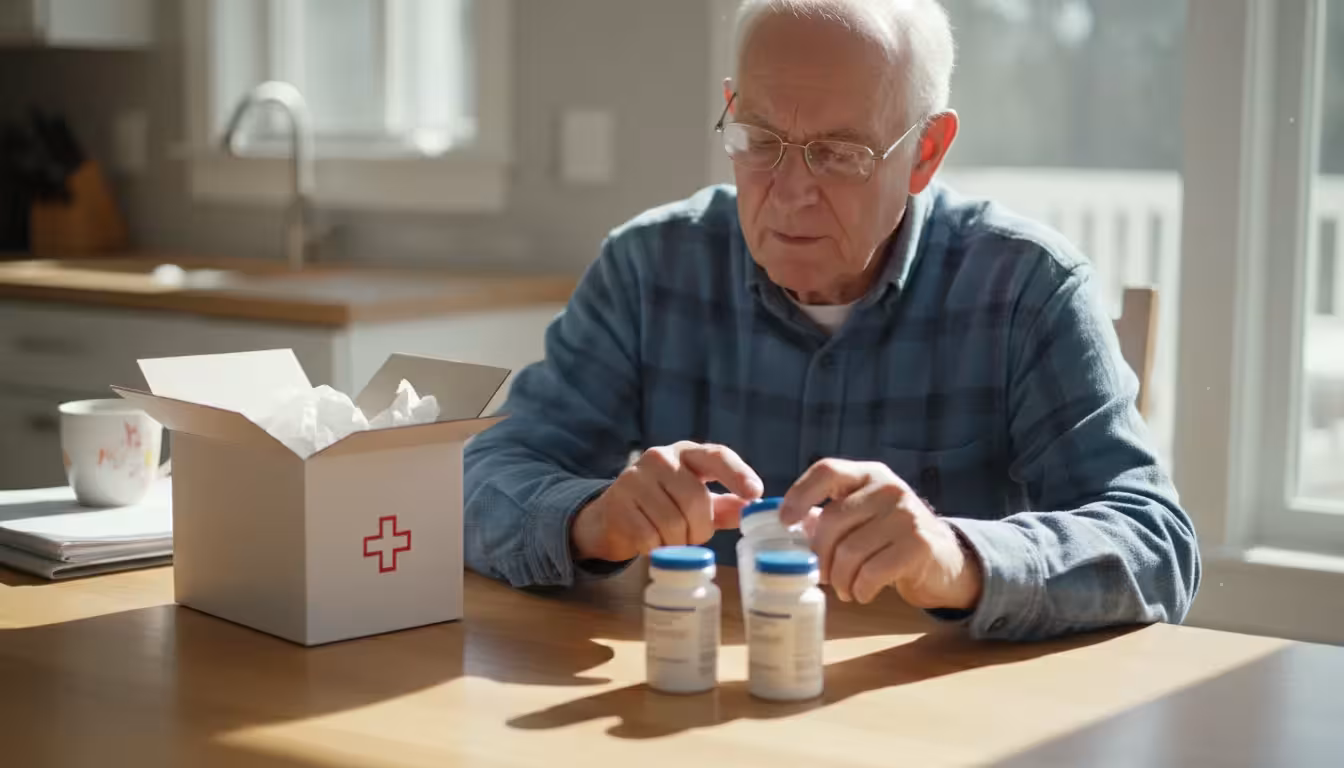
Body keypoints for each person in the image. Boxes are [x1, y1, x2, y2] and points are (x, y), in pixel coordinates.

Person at [462, 0, 1200, 641]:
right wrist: (592, 519)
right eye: (759, 140)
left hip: (933, 720)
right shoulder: (649, 268)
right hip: (686, 705)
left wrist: (955, 558)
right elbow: (477, 480)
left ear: (925, 153)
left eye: (837, 154)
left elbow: (1157, 548)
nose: (788, 193)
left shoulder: (1026, 289)